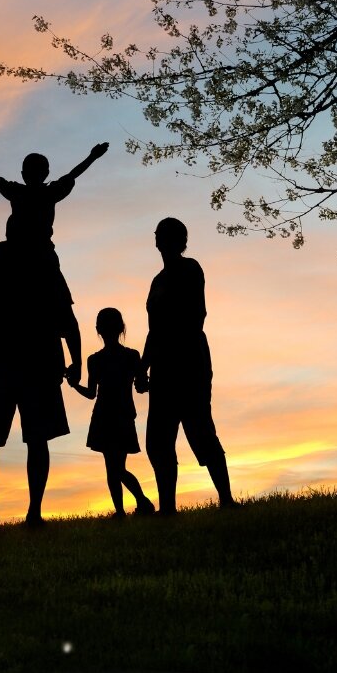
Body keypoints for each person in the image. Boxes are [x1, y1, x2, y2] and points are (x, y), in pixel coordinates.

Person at [0, 241, 83, 529]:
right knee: (35, 439)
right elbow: (68, 318)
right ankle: (33, 513)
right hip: (38, 359)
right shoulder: (44, 257)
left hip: (3, 358)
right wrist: (76, 362)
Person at [140, 217, 238, 515]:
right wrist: (144, 366)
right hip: (163, 366)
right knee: (158, 440)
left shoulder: (190, 268)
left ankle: (226, 499)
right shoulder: (156, 281)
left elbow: (197, 314)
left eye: (167, 236)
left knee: (200, 429)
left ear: (179, 241)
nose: (161, 241)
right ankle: (167, 507)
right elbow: (152, 329)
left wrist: (170, 348)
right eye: (159, 236)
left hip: (189, 359)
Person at [0, 144, 109, 308]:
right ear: (46, 173)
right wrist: (92, 157)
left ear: (24, 174)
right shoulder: (46, 192)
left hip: (30, 248)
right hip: (31, 249)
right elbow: (72, 175)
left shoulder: (23, 191)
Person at [67, 308, 155, 518]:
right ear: (121, 328)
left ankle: (132, 506)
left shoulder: (95, 360)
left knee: (113, 467)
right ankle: (132, 507)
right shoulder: (131, 356)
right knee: (117, 467)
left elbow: (90, 394)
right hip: (123, 414)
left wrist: (73, 385)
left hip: (105, 416)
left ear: (98, 330)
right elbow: (142, 385)